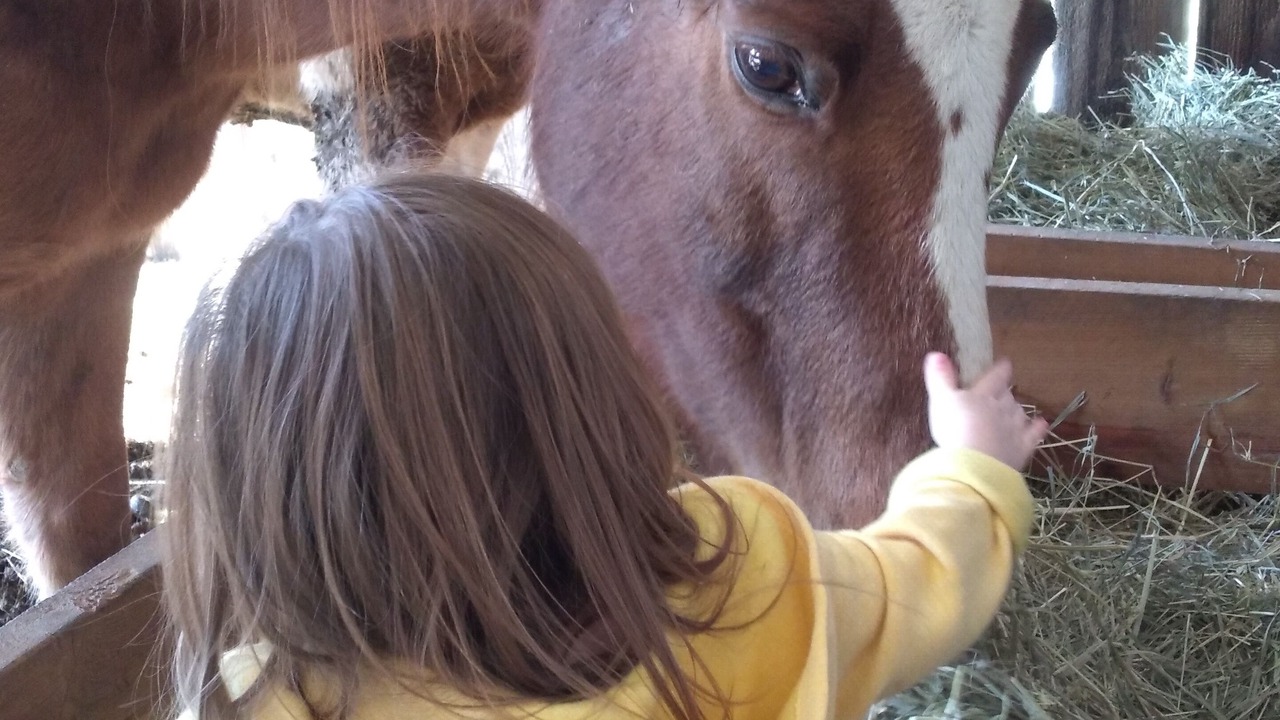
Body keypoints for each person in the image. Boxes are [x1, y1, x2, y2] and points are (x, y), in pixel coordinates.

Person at [161, 171, 1049, 720]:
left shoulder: (270, 696)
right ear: (595, 400)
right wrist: (972, 468)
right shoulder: (739, 575)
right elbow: (919, 581)